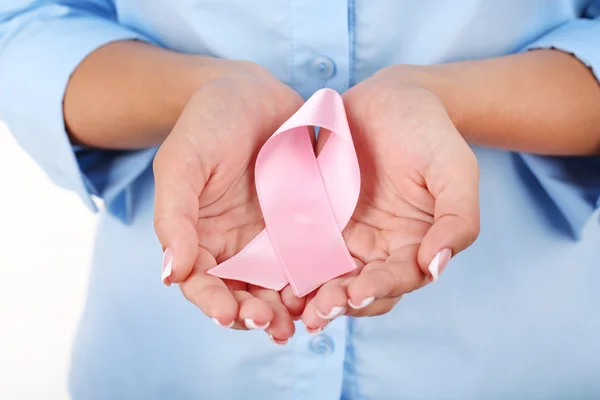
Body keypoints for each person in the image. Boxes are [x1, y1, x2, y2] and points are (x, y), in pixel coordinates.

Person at [2, 1, 600, 398]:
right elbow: (26, 27)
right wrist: (199, 93)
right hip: (169, 366)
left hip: (520, 362)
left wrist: (446, 98)